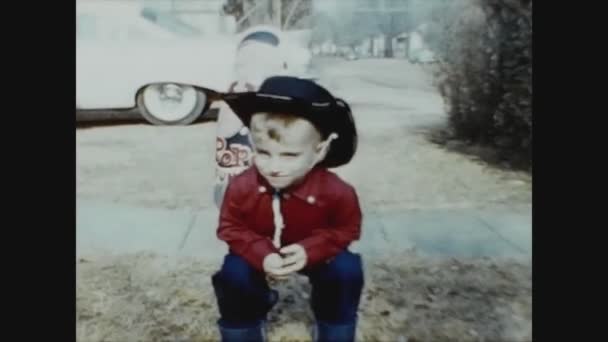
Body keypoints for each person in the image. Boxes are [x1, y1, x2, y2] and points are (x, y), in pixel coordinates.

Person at [212, 76, 364, 342]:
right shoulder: (241, 187)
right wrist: (261, 254)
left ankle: (333, 324)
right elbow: (229, 228)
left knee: (346, 270)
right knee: (233, 275)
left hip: (315, 252)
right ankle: (246, 324)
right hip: (257, 250)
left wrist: (312, 249)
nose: (274, 167)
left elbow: (348, 228)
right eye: (263, 152)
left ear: (319, 151)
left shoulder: (337, 191)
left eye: (290, 155)